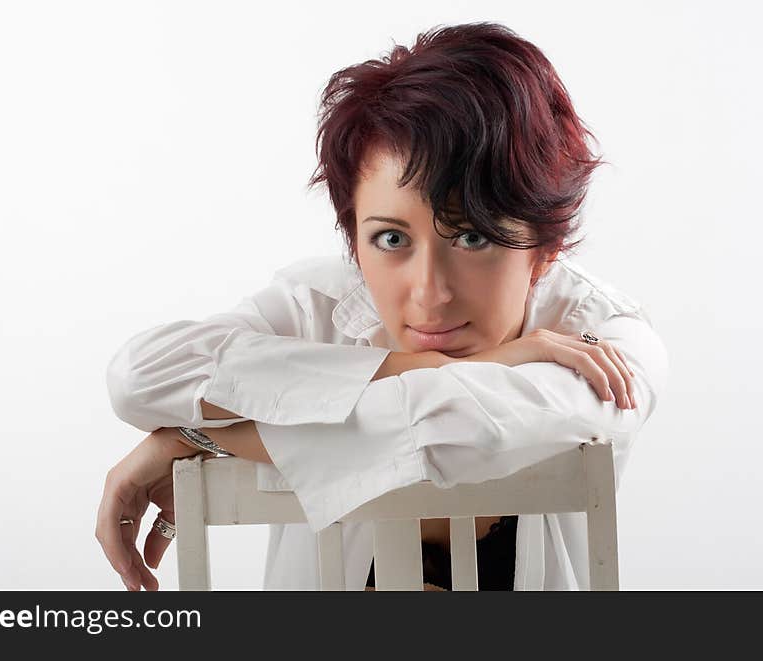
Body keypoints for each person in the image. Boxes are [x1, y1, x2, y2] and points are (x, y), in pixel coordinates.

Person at [95, 21, 668, 592]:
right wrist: (465, 362)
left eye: (472, 238)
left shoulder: (606, 339)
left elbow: (456, 428)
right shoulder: (320, 306)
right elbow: (140, 374)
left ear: (544, 248)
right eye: (391, 239)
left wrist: (200, 437)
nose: (429, 294)